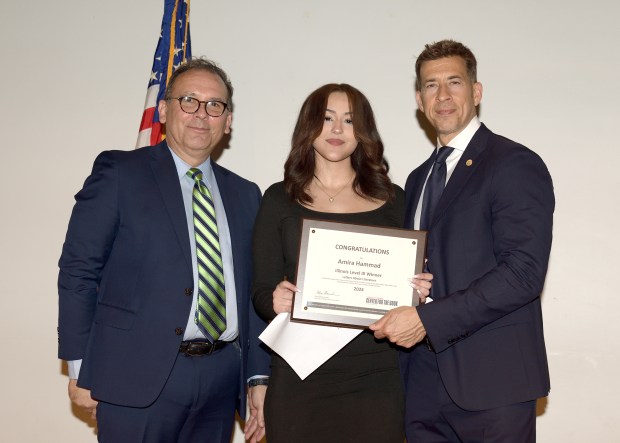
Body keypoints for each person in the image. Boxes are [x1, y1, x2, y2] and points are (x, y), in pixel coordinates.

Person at [57, 58, 270, 443]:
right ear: (164, 109)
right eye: (189, 100)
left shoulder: (247, 194)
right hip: (132, 374)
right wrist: (79, 368)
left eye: (214, 105)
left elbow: (253, 291)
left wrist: (257, 376)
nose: (201, 114)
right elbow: (78, 270)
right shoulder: (120, 172)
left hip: (221, 380)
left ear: (228, 120)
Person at [369, 40, 554, 442]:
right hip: (420, 381)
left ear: (476, 91)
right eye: (431, 85)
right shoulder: (417, 179)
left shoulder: (513, 163)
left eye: (454, 81)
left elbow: (523, 274)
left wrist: (426, 320)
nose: (444, 95)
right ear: (420, 100)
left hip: (493, 383)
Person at [252, 83, 432, 443]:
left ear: (363, 132)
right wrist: (273, 299)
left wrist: (421, 290)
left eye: (349, 121)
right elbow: (258, 289)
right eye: (327, 118)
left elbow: (414, 275)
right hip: (299, 374)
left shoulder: (395, 199)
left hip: (377, 376)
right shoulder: (278, 198)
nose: (337, 130)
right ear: (309, 126)